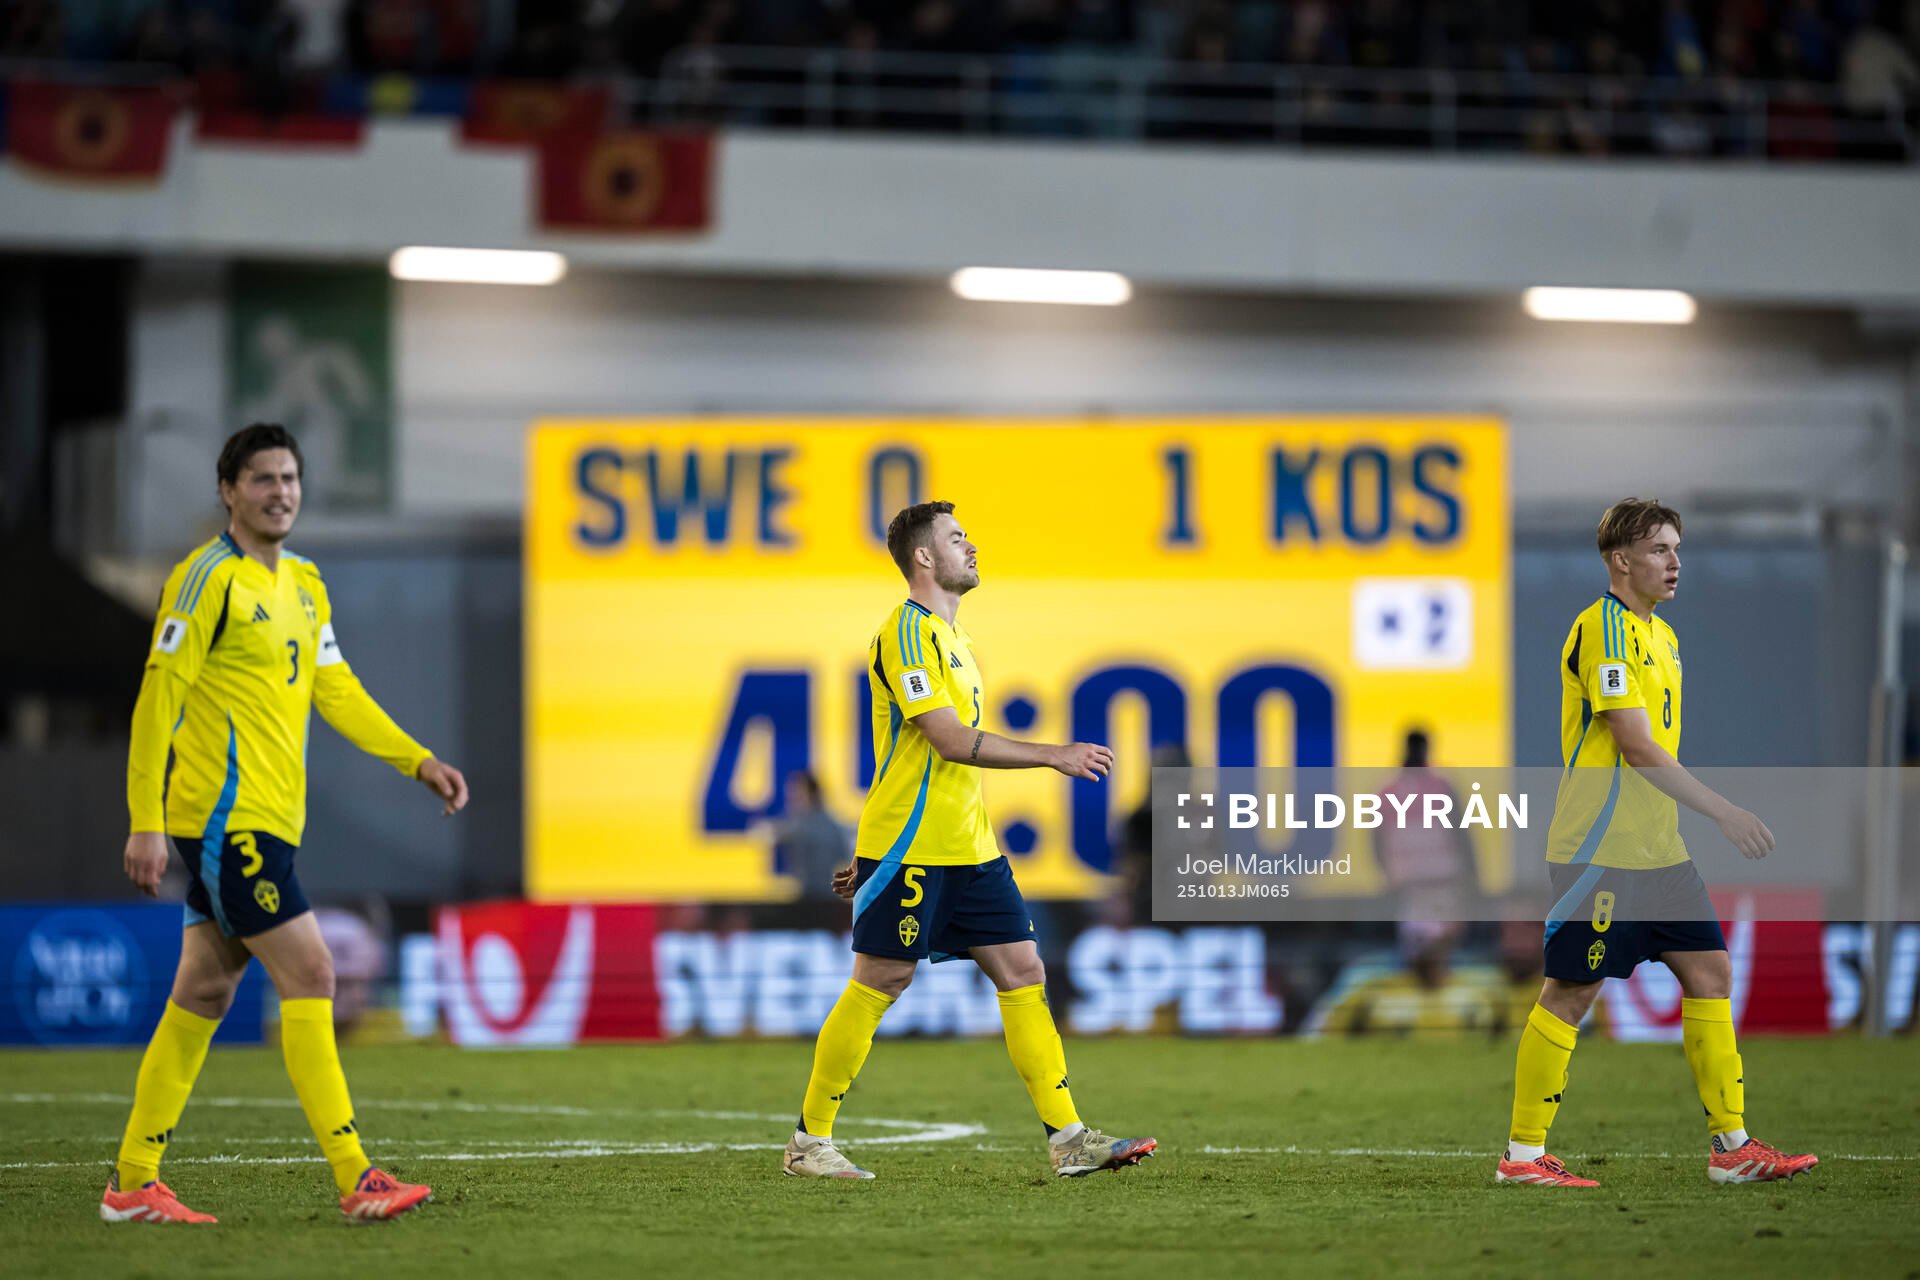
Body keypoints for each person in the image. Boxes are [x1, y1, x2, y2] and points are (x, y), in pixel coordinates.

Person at [103, 423, 469, 1225]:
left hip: (270, 821)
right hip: (224, 822)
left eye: (290, 478)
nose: (280, 492)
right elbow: (156, 699)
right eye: (263, 479)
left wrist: (417, 759)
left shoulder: (304, 581)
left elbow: (335, 689)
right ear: (228, 490)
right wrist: (145, 820)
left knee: (202, 991)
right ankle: (356, 1174)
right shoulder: (204, 580)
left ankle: (133, 1184)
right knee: (312, 975)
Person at [782, 500, 1157, 1179]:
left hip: (973, 849)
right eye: (957, 538)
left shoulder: (957, 642)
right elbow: (948, 742)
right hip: (912, 848)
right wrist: (1053, 754)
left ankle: (1068, 1138)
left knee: (1024, 972)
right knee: (883, 978)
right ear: (923, 558)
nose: (972, 546)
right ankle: (810, 1142)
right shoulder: (904, 633)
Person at [1496, 498, 1816, 1188]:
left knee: (1711, 974)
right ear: (1621, 560)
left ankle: (1731, 1147)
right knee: (1570, 993)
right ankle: (1522, 1159)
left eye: (1677, 549)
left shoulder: (1662, 638)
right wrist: (1724, 811)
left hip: (1658, 849)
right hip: (1602, 847)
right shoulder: (1601, 630)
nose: (1675, 563)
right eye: (1660, 550)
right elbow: (1637, 748)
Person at [773, 770, 851, 904]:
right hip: (824, 896)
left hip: (814, 898)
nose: (791, 798)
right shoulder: (833, 824)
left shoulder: (803, 827)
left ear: (810, 794)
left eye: (796, 793)